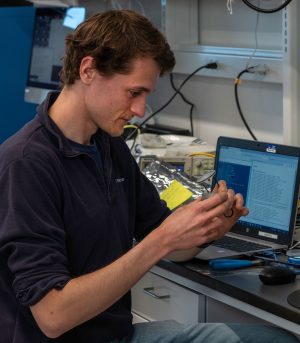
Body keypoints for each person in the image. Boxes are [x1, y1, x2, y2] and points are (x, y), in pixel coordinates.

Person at [0, 9, 298, 343]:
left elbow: (171, 246)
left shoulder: (109, 146)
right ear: (88, 70)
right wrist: (160, 241)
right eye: (134, 93)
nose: (141, 110)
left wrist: (208, 227)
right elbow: (53, 317)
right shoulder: (26, 165)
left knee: (279, 339)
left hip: (116, 334)